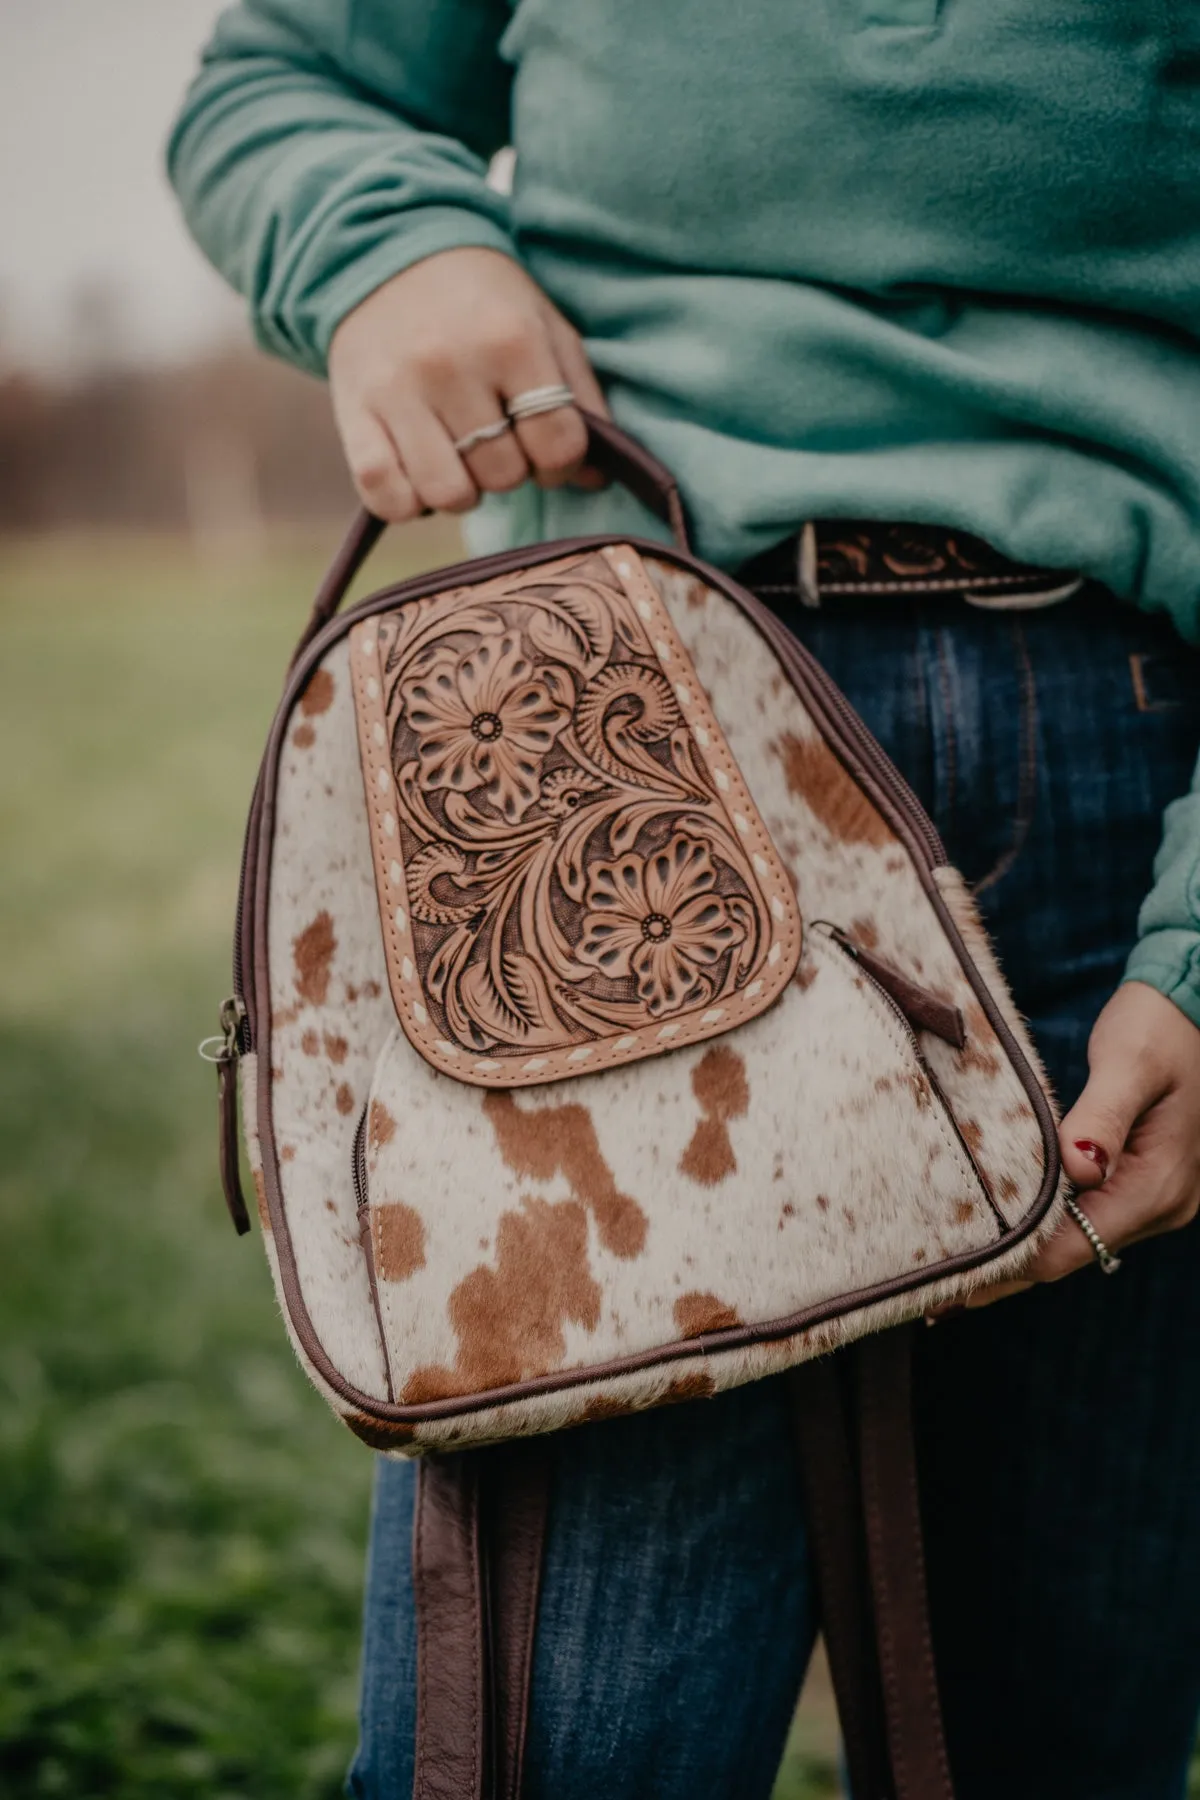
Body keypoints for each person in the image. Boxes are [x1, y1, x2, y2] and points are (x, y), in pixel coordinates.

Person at [168, 5, 1200, 1795]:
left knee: (1068, 1745)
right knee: (552, 1751)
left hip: (1139, 789)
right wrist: (391, 246)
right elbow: (282, 80)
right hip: (600, 747)